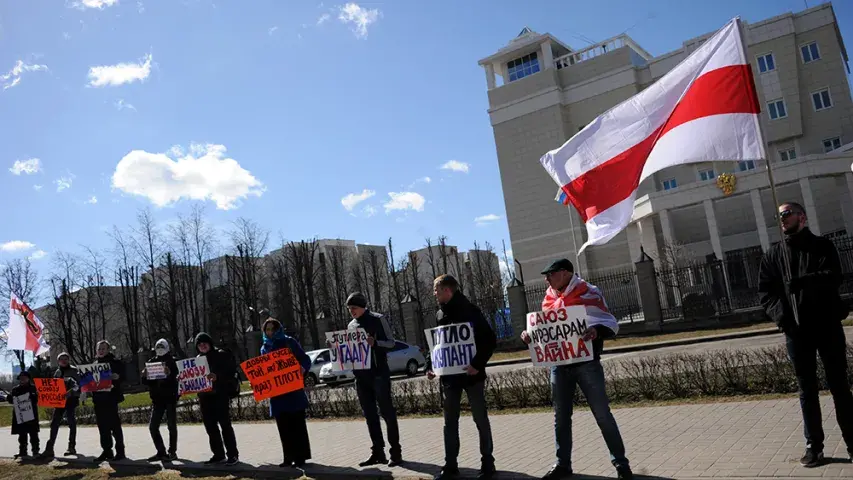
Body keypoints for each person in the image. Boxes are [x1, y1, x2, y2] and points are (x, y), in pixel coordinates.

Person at [758, 202, 853, 467]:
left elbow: (834, 276)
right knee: (806, 390)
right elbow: (765, 293)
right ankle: (814, 446)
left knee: (840, 387)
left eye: (786, 214)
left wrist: (802, 282)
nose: (782, 219)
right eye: (779, 216)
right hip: (796, 331)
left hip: (826, 326)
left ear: (802, 216)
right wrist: (782, 316)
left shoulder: (823, 246)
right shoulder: (774, 254)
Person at [521, 259, 632, 480]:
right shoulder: (549, 298)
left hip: (586, 364)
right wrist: (530, 336)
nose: (546, 279)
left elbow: (609, 322)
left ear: (564, 273)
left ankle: (621, 464)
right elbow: (549, 331)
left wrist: (596, 331)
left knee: (602, 415)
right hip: (560, 366)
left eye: (550, 274)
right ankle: (563, 464)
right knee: (560, 417)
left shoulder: (588, 292)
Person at [428, 274, 497, 480]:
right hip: (449, 379)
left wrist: (477, 364)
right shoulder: (440, 314)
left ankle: (487, 463)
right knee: (450, 422)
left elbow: (489, 340)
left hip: (471, 376)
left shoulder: (471, 311)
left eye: (436, 290)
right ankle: (450, 465)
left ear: (447, 290)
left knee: (480, 419)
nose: (434, 294)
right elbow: (437, 345)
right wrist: (430, 365)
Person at [343, 292, 403, 467]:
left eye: (353, 308)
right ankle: (378, 452)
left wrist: (375, 344)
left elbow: (391, 343)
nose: (351, 311)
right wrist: (337, 347)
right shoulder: (351, 325)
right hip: (361, 377)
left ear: (362, 306)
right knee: (370, 415)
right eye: (349, 309)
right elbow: (349, 350)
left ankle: (395, 452)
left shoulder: (378, 319)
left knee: (387, 413)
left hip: (378, 374)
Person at [262, 318, 313, 468]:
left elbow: (305, 359)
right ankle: (288, 457)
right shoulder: (265, 347)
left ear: (279, 329)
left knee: (297, 425)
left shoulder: (289, 342)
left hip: (293, 392)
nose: (270, 332)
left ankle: (300, 457)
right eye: (267, 330)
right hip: (277, 394)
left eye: (273, 329)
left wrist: (301, 369)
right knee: (283, 427)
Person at [195, 332, 240, 466]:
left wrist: (217, 377)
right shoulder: (197, 359)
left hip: (220, 395)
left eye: (204, 343)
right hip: (205, 398)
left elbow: (230, 372)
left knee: (225, 425)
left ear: (210, 343)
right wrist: (183, 379)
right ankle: (218, 454)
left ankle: (232, 455)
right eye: (199, 344)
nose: (202, 346)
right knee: (210, 427)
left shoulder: (221, 355)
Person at [142, 338, 180, 462]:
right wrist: (144, 375)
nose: (160, 349)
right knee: (153, 427)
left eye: (162, 347)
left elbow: (178, 380)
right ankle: (161, 452)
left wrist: (169, 375)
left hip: (170, 398)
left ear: (167, 348)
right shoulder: (151, 362)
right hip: (157, 399)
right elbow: (146, 382)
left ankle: (172, 452)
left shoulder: (173, 362)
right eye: (158, 347)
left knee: (171, 426)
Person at [40, 352, 80, 459]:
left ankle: (71, 447)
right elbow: (54, 387)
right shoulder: (57, 372)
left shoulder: (74, 370)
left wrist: (70, 392)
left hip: (71, 400)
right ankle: (49, 449)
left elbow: (79, 385)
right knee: (54, 423)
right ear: (58, 361)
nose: (64, 360)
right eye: (61, 359)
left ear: (69, 360)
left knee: (71, 422)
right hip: (59, 402)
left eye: (66, 358)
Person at [92, 340, 126, 462]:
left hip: (111, 398)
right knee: (102, 427)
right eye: (99, 349)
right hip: (98, 400)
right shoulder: (94, 365)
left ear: (108, 350)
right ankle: (107, 451)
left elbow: (124, 376)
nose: (101, 351)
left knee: (114, 426)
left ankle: (120, 451)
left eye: (103, 348)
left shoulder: (115, 362)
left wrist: (117, 377)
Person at [7, 371, 39, 459]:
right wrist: (9, 398)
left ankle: (35, 451)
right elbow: (11, 401)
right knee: (22, 434)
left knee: (33, 433)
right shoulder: (15, 389)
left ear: (28, 378)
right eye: (21, 378)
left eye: (24, 377)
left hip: (31, 413)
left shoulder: (33, 388)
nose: (23, 379)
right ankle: (23, 451)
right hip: (20, 414)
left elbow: (37, 400)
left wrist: (33, 397)